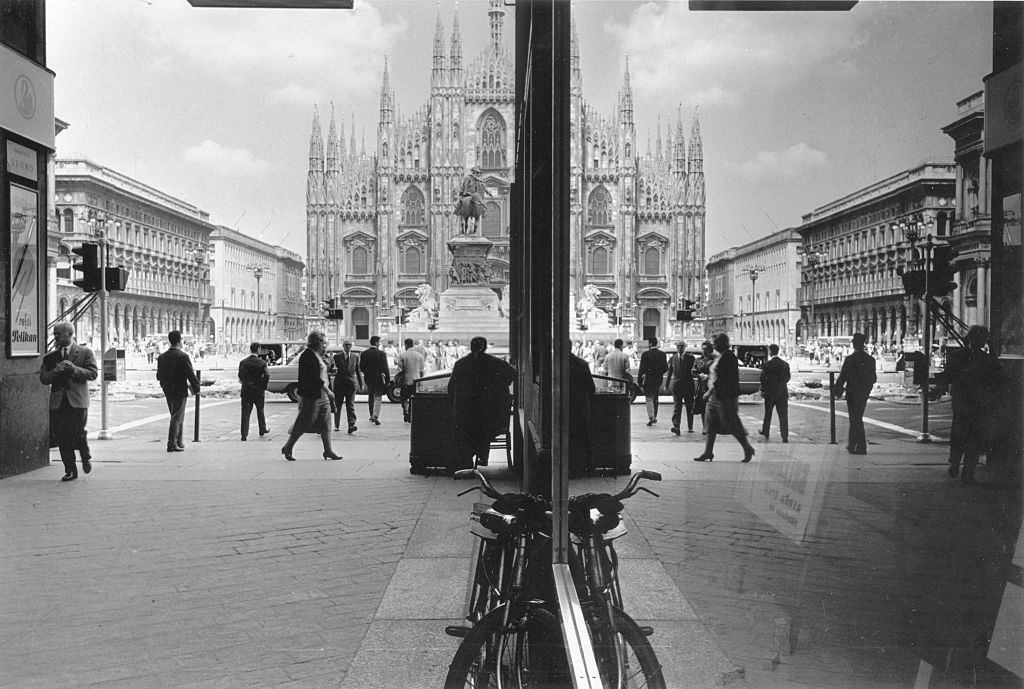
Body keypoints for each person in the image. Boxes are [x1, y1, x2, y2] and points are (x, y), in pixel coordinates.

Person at [942, 326, 1003, 484]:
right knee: (974, 439)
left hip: (963, 404)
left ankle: (956, 463)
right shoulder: (988, 359)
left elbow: (948, 377)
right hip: (978, 405)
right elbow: (998, 377)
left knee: (959, 436)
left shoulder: (955, 356)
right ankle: (967, 472)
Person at [39, 322, 98, 481]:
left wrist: (74, 369)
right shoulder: (50, 357)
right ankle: (70, 470)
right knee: (62, 436)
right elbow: (43, 379)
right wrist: (55, 371)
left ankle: (85, 456)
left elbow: (93, 374)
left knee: (77, 432)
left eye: (58, 333)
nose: (55, 337)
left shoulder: (85, 352)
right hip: (58, 402)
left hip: (77, 401)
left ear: (68, 334)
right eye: (55, 334)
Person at [448, 336, 515, 469]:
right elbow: (512, 374)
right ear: (485, 348)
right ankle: (482, 455)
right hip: (487, 412)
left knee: (464, 431)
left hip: (466, 412)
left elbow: (451, 387)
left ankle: (467, 461)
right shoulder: (494, 362)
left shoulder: (461, 363)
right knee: (485, 428)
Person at [694, 333, 756, 463]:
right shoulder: (721, 356)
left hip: (724, 396)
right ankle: (708, 451)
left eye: (716, 342)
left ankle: (747, 448)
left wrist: (709, 391)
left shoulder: (728, 357)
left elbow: (721, 379)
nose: (714, 345)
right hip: (717, 396)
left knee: (731, 423)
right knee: (711, 424)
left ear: (722, 343)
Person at [280, 331, 342, 461]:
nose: (325, 345)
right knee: (304, 421)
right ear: (316, 342)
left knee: (326, 423)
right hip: (312, 395)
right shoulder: (308, 355)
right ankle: (288, 446)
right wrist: (328, 391)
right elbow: (313, 377)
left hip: (321, 394)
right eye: (323, 343)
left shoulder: (318, 355)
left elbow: (322, 373)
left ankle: (328, 450)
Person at [832, 332, 876, 456]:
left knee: (855, 418)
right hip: (863, 394)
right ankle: (852, 444)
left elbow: (842, 377)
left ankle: (861, 446)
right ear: (863, 344)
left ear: (853, 344)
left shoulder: (850, 359)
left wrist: (837, 390)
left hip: (852, 393)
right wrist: (866, 389)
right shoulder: (870, 360)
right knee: (856, 417)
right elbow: (873, 378)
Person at [156, 330, 201, 453]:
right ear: (180, 340)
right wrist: (196, 388)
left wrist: (165, 384)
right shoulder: (183, 356)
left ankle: (179, 441)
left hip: (168, 389)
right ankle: (172, 443)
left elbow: (158, 376)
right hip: (180, 389)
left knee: (176, 415)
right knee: (177, 416)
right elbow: (190, 374)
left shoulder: (162, 357)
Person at [237, 341, 270, 441]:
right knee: (260, 410)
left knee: (245, 413)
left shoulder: (243, 362)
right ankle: (262, 429)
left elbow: (240, 376)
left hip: (246, 390)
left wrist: (245, 382)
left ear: (250, 349)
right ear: (258, 350)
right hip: (258, 391)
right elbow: (267, 375)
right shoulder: (262, 363)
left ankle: (244, 434)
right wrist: (262, 386)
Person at [758, 343, 791, 443]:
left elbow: (762, 379)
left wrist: (763, 390)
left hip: (770, 393)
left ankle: (765, 431)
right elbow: (787, 378)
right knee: (783, 415)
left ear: (770, 352)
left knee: (768, 414)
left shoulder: (767, 364)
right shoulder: (785, 364)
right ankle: (784, 436)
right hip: (782, 393)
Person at [665, 341, 696, 435]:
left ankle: (690, 426)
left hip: (688, 386)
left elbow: (694, 370)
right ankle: (676, 426)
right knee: (677, 406)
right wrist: (667, 385)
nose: (680, 348)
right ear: (676, 347)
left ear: (685, 347)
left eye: (682, 347)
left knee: (689, 406)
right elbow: (670, 372)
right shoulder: (673, 358)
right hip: (677, 386)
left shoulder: (691, 358)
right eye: (678, 346)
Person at [332, 340, 363, 434]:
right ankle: (337, 425)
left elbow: (358, 371)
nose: (348, 347)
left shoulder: (355, 357)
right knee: (338, 405)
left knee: (350, 405)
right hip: (339, 385)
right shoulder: (336, 357)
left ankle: (351, 425)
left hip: (351, 385)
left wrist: (360, 384)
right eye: (346, 345)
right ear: (343, 346)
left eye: (349, 345)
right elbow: (333, 369)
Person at [359, 335, 391, 425]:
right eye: (379, 342)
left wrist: (368, 372)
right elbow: (385, 368)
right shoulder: (381, 353)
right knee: (378, 396)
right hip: (379, 378)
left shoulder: (364, 353)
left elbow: (361, 367)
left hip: (368, 378)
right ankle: (376, 415)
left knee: (371, 395)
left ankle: (371, 415)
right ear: (376, 343)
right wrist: (387, 380)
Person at [637, 337, 668, 426]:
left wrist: (640, 381)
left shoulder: (646, 354)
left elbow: (642, 368)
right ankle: (655, 415)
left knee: (649, 397)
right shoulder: (662, 354)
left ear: (650, 343)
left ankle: (651, 416)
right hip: (658, 378)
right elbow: (665, 367)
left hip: (649, 378)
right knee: (655, 396)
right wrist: (659, 372)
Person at [396, 338, 425, 423]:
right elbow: (422, 370)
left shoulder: (402, 355)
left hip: (406, 380)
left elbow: (400, 369)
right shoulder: (420, 356)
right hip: (416, 381)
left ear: (406, 345)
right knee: (413, 398)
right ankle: (411, 414)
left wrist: (398, 378)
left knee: (404, 397)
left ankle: (406, 411)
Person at [692, 340, 714, 435]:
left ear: (710, 350)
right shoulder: (698, 360)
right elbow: (693, 371)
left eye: (706, 349)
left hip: (711, 386)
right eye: (703, 349)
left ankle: (709, 426)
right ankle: (705, 426)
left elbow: (719, 373)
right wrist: (698, 375)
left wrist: (708, 376)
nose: (704, 351)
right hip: (701, 386)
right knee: (702, 407)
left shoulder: (714, 360)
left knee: (710, 407)